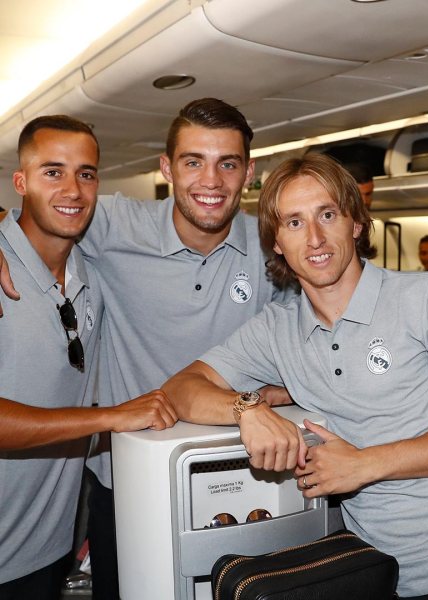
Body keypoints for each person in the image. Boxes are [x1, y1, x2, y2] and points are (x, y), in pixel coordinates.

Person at [162, 153, 428, 599]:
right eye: (293, 223)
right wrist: (247, 409)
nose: (314, 238)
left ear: (354, 222)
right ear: (276, 242)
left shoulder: (423, 296)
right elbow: (180, 389)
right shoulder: (277, 329)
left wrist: (362, 464)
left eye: (327, 214)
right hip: (371, 573)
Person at [0, 99, 295, 599]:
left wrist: (282, 391)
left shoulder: (274, 241)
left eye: (228, 163)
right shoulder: (109, 226)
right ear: (167, 169)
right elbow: (42, 216)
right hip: (126, 484)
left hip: (247, 471)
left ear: (249, 172)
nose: (211, 180)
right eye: (193, 161)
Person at [0, 115, 176, 600]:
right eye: (53, 172)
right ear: (22, 182)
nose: (73, 190)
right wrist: (111, 418)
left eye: (87, 173)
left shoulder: (91, 274)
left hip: (47, 545)